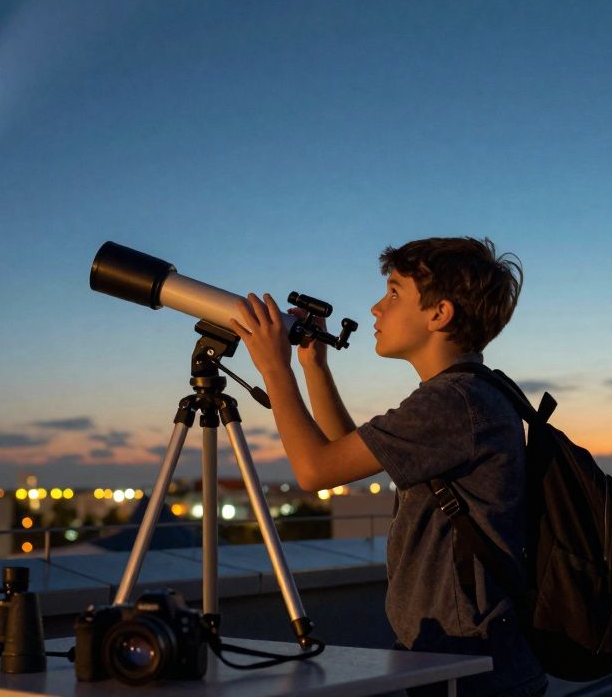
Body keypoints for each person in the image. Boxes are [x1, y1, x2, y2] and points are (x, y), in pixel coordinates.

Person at [231, 237, 546, 697]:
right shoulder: (470, 393)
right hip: (465, 655)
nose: (377, 308)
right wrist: (312, 364)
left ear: (439, 314)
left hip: (468, 666)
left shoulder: (453, 402)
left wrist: (274, 369)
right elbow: (341, 455)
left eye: (395, 292)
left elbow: (314, 471)